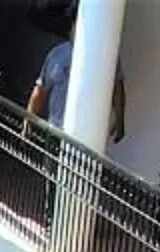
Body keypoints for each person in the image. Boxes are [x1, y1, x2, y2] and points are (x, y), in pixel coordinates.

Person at [26, 0, 127, 144]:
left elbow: (117, 88)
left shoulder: (106, 58)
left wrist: (119, 120)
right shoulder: (57, 55)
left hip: (87, 134)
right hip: (56, 130)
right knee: (51, 166)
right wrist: (29, 119)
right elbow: (40, 90)